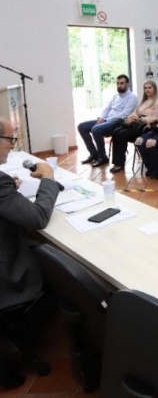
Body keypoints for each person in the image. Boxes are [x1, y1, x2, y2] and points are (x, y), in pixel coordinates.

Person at [0, 117, 61, 389]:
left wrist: (7, 189)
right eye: (10, 141)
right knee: (63, 273)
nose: (11, 149)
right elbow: (37, 217)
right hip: (5, 272)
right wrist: (48, 178)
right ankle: (16, 339)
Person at [77, 74, 138, 167]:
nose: (119, 85)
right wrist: (101, 117)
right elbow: (107, 108)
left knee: (95, 129)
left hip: (117, 123)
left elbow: (124, 114)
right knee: (81, 126)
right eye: (117, 83)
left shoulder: (132, 97)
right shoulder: (115, 96)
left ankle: (103, 157)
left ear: (127, 84)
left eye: (122, 83)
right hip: (106, 121)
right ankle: (94, 154)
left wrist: (105, 120)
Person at [109, 81, 158, 173]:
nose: (147, 90)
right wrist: (131, 117)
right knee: (116, 132)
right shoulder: (144, 101)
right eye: (145, 88)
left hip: (144, 128)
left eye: (149, 87)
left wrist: (139, 117)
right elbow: (135, 112)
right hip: (134, 124)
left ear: (154, 89)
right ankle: (116, 162)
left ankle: (120, 163)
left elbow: (152, 118)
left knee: (122, 134)